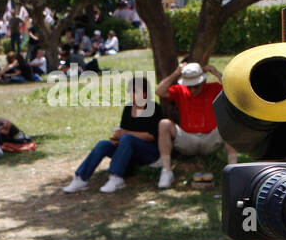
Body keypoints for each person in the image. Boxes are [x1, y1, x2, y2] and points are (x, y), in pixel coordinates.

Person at [62, 75, 163, 193]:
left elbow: (150, 136)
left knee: (127, 138)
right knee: (103, 145)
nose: (131, 94)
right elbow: (124, 132)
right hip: (128, 149)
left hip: (149, 152)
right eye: (130, 91)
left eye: (135, 91)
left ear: (145, 94)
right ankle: (81, 178)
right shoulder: (128, 109)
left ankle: (116, 177)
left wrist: (126, 135)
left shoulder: (153, 108)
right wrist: (117, 139)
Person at [154, 62, 238, 190]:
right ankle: (166, 171)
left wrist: (215, 72)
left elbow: (233, 90)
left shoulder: (214, 88)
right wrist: (176, 73)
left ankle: (233, 170)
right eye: (189, 86)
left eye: (196, 86)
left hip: (211, 138)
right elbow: (159, 91)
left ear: (203, 81)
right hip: (187, 139)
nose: (192, 90)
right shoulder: (180, 90)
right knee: (164, 124)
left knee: (230, 122)